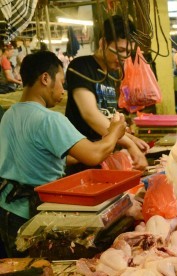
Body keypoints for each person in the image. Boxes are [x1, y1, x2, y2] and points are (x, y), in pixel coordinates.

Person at [0, 51, 127, 257]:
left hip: (6, 210)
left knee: (19, 268)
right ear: (45, 78)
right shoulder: (49, 119)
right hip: (33, 216)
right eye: (61, 81)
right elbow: (94, 156)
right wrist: (114, 133)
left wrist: (93, 146)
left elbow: (42, 156)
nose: (63, 90)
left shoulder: (9, 114)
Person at [65, 15, 149, 174]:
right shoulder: (81, 67)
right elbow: (90, 114)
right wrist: (129, 145)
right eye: (120, 50)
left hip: (104, 159)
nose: (123, 58)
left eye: (127, 53)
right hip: (83, 163)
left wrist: (132, 139)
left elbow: (109, 119)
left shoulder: (111, 75)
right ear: (103, 43)